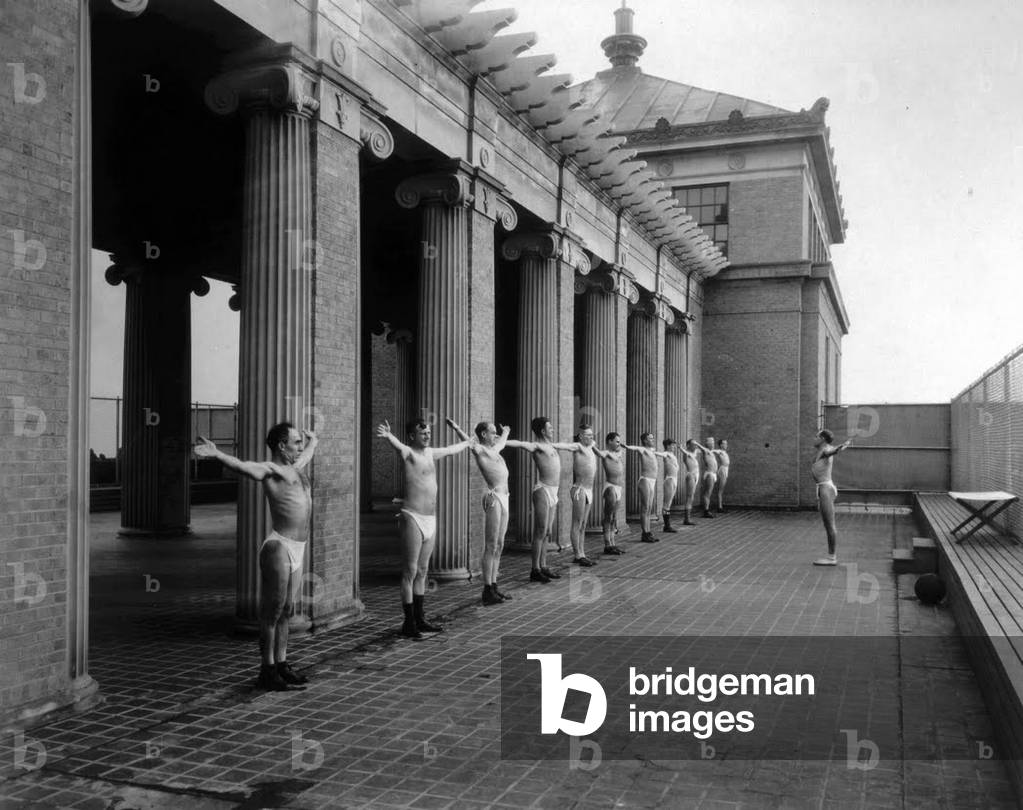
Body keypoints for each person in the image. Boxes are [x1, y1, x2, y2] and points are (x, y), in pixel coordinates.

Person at [194, 423, 317, 691]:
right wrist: (218, 454)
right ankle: (267, 670)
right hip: (280, 547)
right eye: (295, 442)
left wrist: (313, 442)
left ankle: (282, 665)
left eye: (299, 442)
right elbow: (242, 466)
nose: (299, 446)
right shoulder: (270, 470)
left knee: (286, 610)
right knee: (272, 613)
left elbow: (306, 455)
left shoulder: (295, 468)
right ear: (281, 446)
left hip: (299, 546)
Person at [377, 418, 471, 637]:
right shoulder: (409, 454)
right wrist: (390, 435)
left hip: (431, 518)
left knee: (423, 570)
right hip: (413, 517)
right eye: (423, 433)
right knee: (410, 570)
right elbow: (397, 445)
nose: (427, 436)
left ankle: (420, 618)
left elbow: (450, 450)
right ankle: (408, 623)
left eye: (428, 433)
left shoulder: (430, 454)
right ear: (412, 436)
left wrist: (467, 442)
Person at [447, 418, 513, 605]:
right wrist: (456, 427)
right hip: (494, 498)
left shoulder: (495, 449)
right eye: (493, 432)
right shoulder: (481, 450)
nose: (496, 435)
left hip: (505, 498)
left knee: (500, 544)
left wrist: (506, 431)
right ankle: (487, 590)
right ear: (484, 434)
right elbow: (469, 441)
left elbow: (501, 442)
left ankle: (494, 585)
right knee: (491, 544)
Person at [505, 416, 564, 583]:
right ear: (543, 431)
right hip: (543, 490)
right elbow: (520, 443)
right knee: (540, 530)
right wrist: (502, 440)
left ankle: (543, 566)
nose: (553, 430)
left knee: (548, 532)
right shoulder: (537, 446)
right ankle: (535, 570)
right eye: (550, 428)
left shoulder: (551, 445)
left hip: (554, 491)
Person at [551, 424, 601, 567]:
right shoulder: (578, 447)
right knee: (577, 523)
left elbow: (595, 444)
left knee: (584, 524)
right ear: (581, 436)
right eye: (588, 435)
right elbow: (564, 446)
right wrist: (551, 444)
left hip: (589, 490)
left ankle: (582, 552)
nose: (591, 437)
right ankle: (577, 555)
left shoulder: (591, 445)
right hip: (579, 489)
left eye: (592, 435)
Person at [811, 429, 852, 566]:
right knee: (827, 524)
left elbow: (832, 451)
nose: (814, 438)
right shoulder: (822, 450)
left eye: (816, 436)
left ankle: (831, 557)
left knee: (830, 525)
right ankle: (831, 556)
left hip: (826, 489)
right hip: (823, 488)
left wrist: (840, 447)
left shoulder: (826, 449)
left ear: (822, 439)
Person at [624, 432, 660, 543]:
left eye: (653, 438)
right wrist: (624, 446)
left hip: (652, 481)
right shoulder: (642, 449)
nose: (652, 440)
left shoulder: (652, 450)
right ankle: (645, 533)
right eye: (650, 438)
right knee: (645, 508)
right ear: (644, 440)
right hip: (645, 480)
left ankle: (648, 532)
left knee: (649, 508)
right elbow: (632, 448)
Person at [600, 433, 627, 555]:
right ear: (609, 441)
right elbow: (599, 453)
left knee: (614, 518)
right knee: (608, 516)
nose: (618, 444)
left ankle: (612, 543)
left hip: (618, 488)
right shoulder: (606, 453)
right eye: (616, 441)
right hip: (610, 487)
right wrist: (592, 445)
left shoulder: (618, 453)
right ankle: (607, 544)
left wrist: (620, 446)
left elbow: (620, 449)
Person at [692, 437, 719, 518]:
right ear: (707, 444)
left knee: (709, 493)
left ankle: (707, 510)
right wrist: (696, 443)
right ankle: (706, 511)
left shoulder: (711, 452)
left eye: (714, 442)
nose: (713, 444)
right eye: (711, 442)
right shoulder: (706, 451)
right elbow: (702, 448)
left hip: (713, 474)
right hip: (709, 474)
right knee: (707, 493)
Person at [658, 439, 681, 533]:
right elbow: (660, 454)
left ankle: (667, 525)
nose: (674, 447)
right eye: (672, 445)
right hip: (670, 480)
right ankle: (667, 525)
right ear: (667, 446)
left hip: (674, 479)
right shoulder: (666, 454)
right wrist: (650, 451)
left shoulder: (673, 455)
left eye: (674, 445)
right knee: (666, 503)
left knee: (669, 503)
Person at [680, 440, 700, 526]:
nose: (695, 446)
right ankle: (687, 519)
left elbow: (702, 449)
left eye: (696, 445)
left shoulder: (693, 453)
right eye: (693, 445)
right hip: (691, 475)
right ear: (688, 445)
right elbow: (685, 452)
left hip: (696, 476)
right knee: (689, 497)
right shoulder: (686, 454)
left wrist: (697, 444)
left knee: (691, 497)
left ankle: (688, 518)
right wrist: (681, 448)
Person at [714, 439, 731, 513]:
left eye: (726, 444)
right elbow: (715, 451)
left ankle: (720, 506)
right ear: (721, 445)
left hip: (725, 469)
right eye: (724, 444)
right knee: (720, 490)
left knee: (721, 490)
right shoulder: (720, 451)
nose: (726, 445)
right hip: (723, 470)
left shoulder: (724, 452)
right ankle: (719, 507)